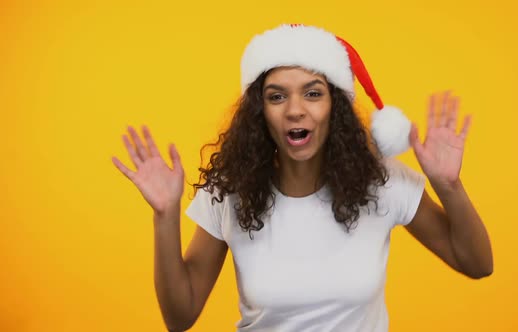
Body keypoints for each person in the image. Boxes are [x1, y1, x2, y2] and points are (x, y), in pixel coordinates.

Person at [112, 24, 493, 332]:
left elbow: (477, 263)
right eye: (277, 97)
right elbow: (180, 317)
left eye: (313, 93)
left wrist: (450, 186)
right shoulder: (228, 193)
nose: (295, 110)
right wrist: (164, 217)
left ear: (335, 108)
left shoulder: (384, 183)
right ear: (259, 112)